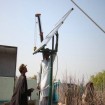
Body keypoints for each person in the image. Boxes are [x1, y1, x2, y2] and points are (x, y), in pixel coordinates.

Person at [37, 32, 59, 105]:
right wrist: (38, 83)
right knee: (42, 101)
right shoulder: (42, 62)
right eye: (45, 54)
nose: (46, 55)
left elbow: (55, 50)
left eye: (47, 54)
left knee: (48, 101)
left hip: (49, 85)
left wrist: (57, 38)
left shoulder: (50, 60)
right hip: (43, 85)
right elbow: (39, 73)